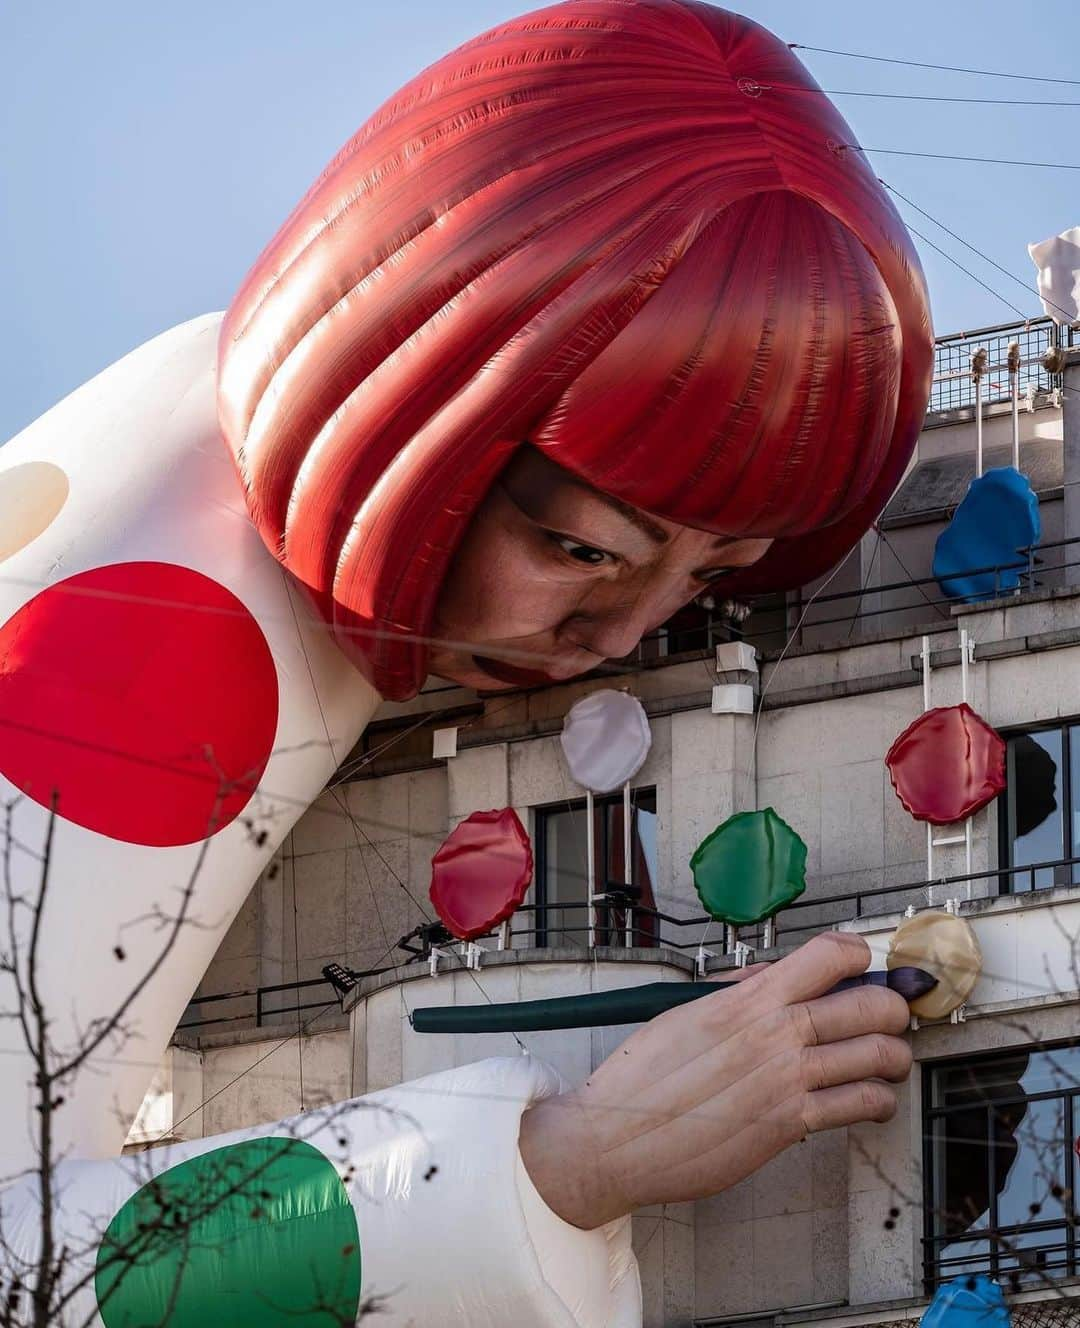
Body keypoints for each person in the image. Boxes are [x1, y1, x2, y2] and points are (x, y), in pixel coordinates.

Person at [0, 2, 934, 1323]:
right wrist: (558, 1164)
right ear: (425, 435)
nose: (622, 640)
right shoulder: (147, 631)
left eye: (710, 578)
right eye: (583, 550)